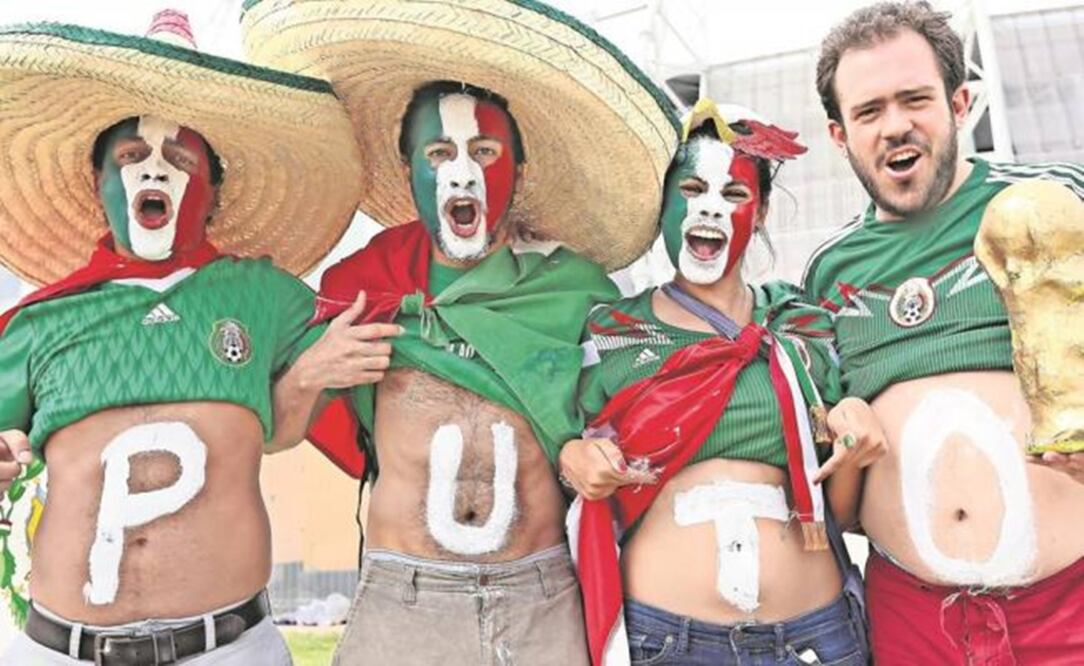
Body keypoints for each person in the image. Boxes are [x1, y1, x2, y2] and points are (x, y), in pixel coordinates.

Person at [240, 1, 678, 664]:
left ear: (519, 172)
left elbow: (628, 415)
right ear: (409, 169)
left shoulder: (574, 289)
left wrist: (597, 451)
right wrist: (310, 370)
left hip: (540, 595)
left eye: (486, 151)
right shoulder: (364, 283)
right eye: (439, 152)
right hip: (401, 597)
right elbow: (275, 430)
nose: (462, 172)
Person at [0, 11, 394, 664]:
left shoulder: (265, 296)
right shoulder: (40, 319)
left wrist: (306, 375)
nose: (153, 172)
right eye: (131, 156)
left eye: (178, 158)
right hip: (61, 650)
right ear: (99, 185)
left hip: (228, 648)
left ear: (213, 189)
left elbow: (283, 426)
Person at [804, 2, 1084, 663]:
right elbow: (832, 474)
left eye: (916, 100)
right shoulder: (826, 272)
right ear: (840, 135)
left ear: (960, 104)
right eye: (869, 111)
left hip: (1069, 606)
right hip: (914, 620)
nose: (895, 125)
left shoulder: (1052, 202)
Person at [561, 98, 880, 666]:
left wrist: (854, 446)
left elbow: (843, 512)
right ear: (661, 205)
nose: (710, 210)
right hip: (668, 642)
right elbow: (564, 464)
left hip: (814, 640)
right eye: (690, 191)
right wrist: (573, 458)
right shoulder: (610, 330)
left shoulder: (800, 324)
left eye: (733, 195)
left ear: (759, 214)